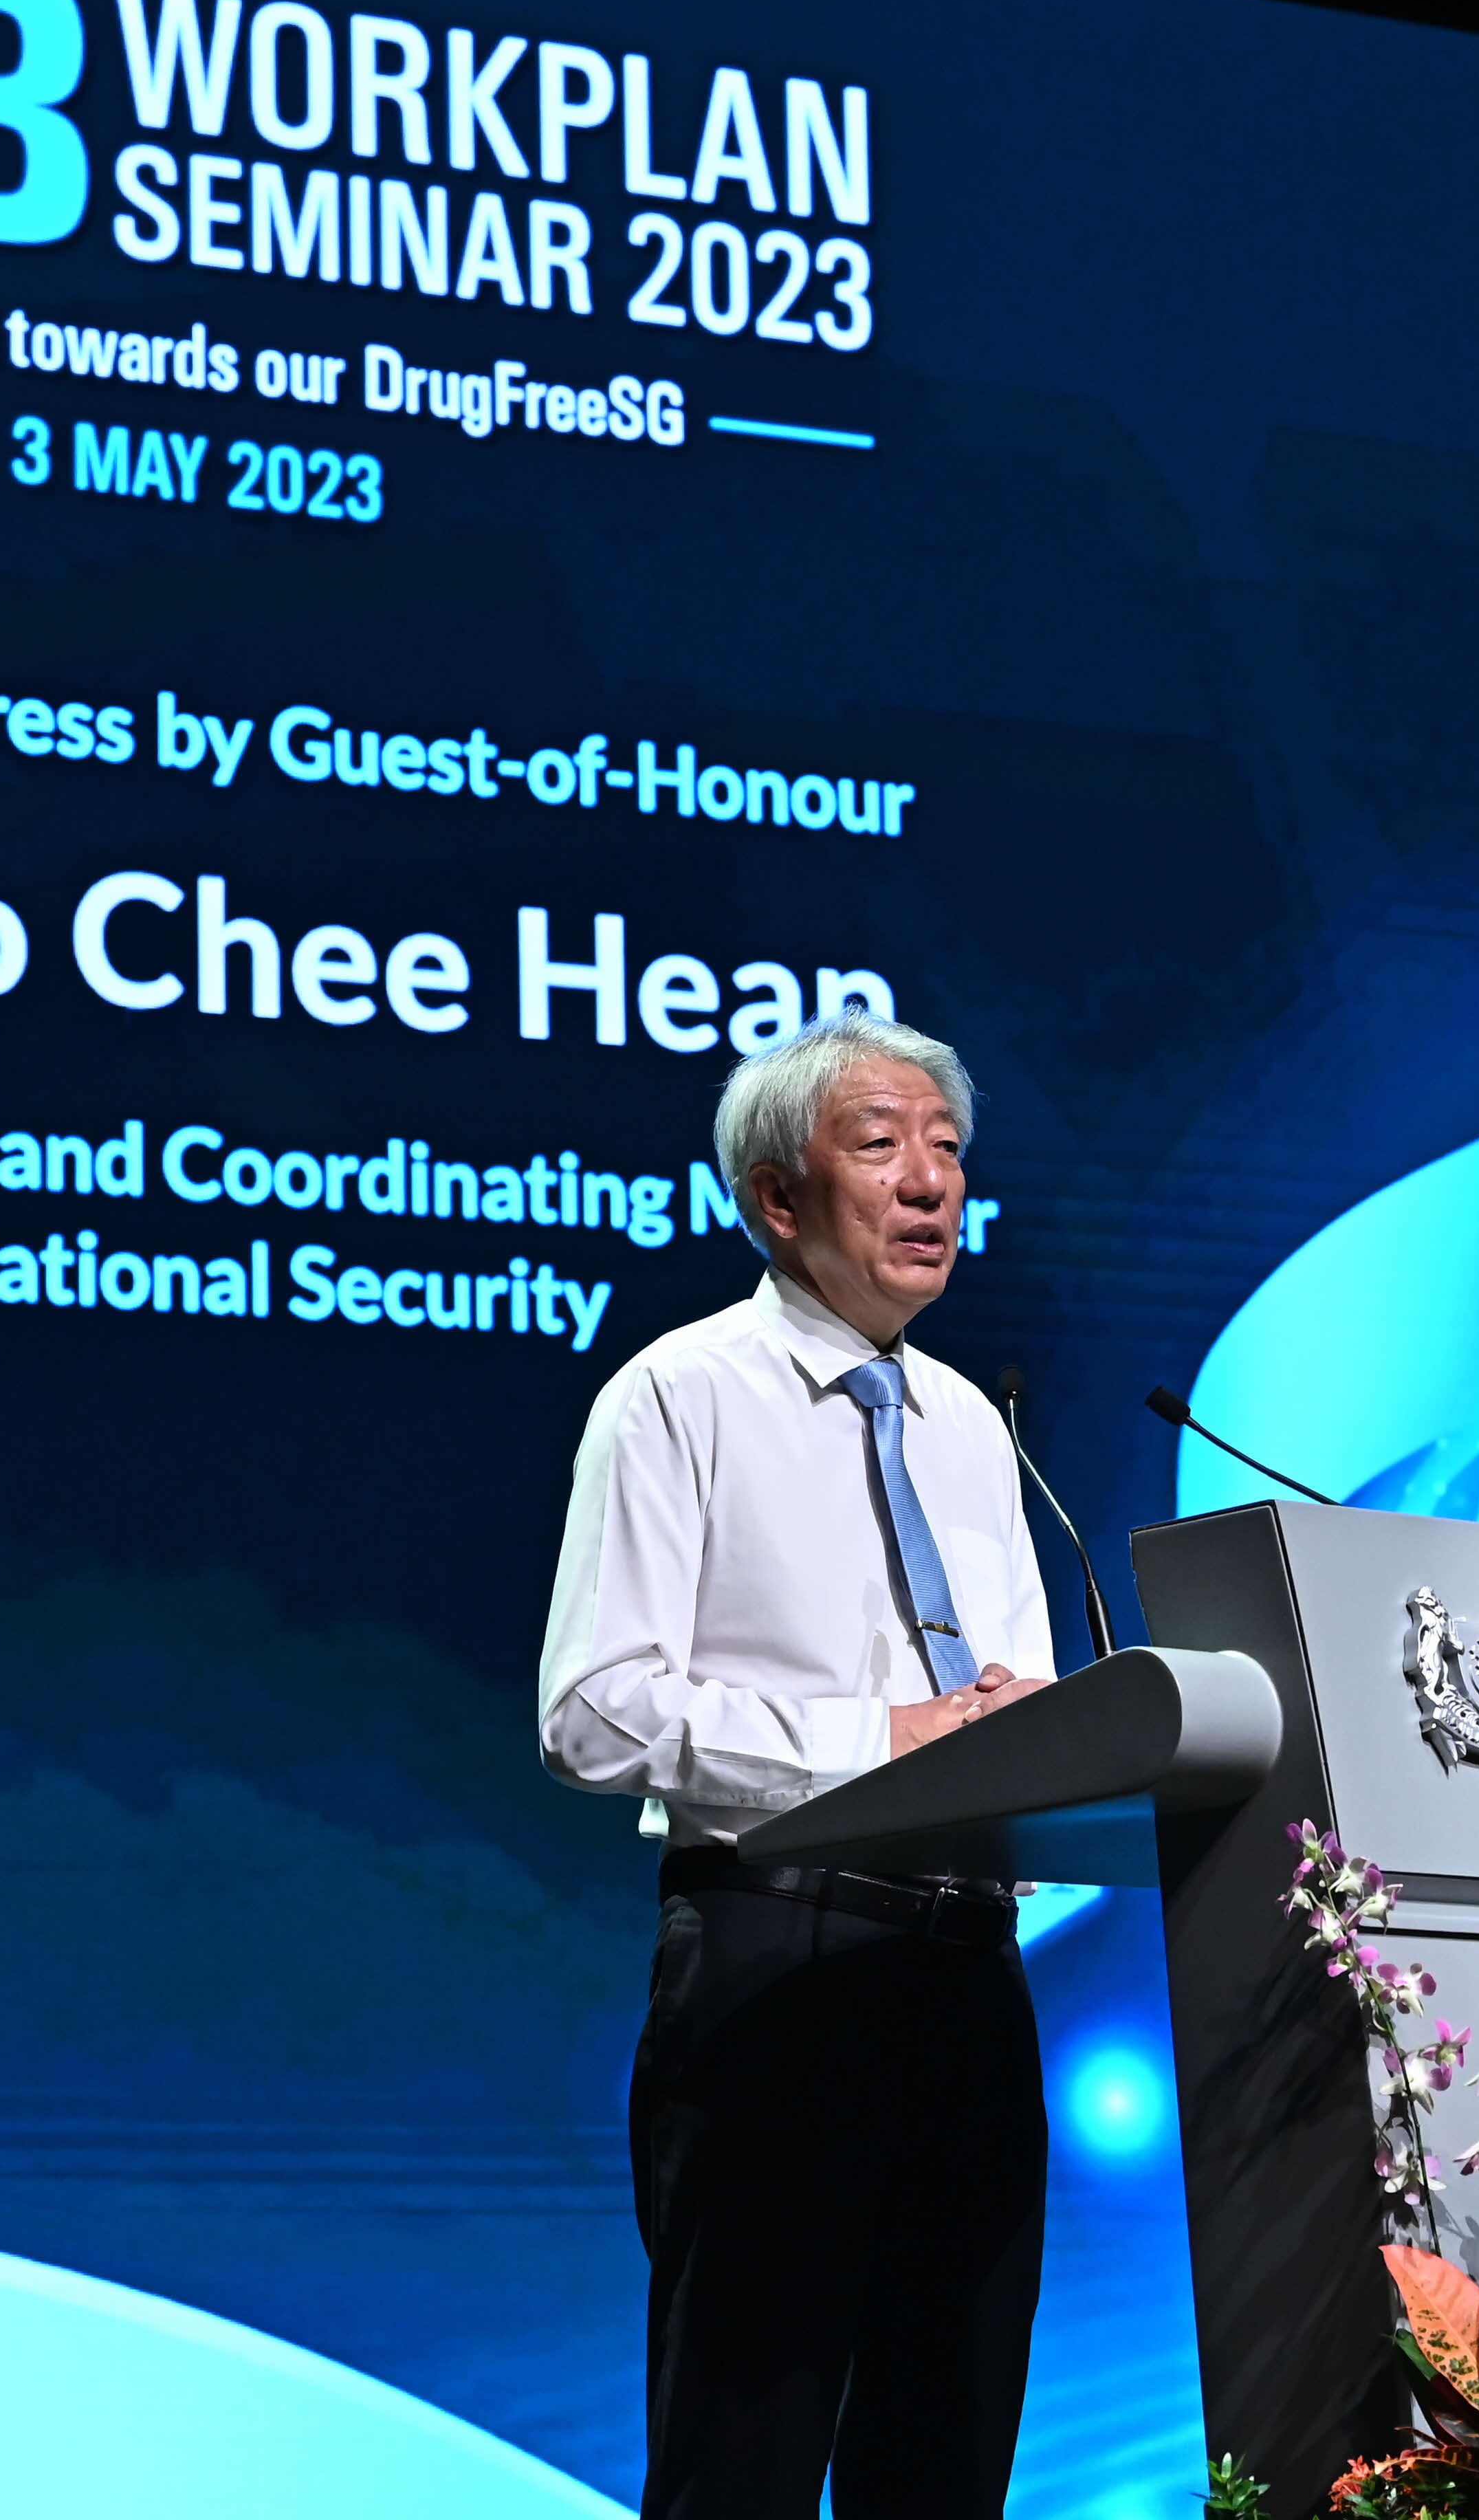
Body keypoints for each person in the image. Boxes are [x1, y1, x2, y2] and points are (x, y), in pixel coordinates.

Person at [535, 1014, 1057, 2520]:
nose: (930, 1186)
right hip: (781, 1954)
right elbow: (593, 1708)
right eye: (883, 1146)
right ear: (777, 1197)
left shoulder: (969, 1420)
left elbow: (1004, 1709)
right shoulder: (678, 1396)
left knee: (945, 2455)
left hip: (971, 1970)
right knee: (742, 2462)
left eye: (950, 1151)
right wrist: (865, 1742)